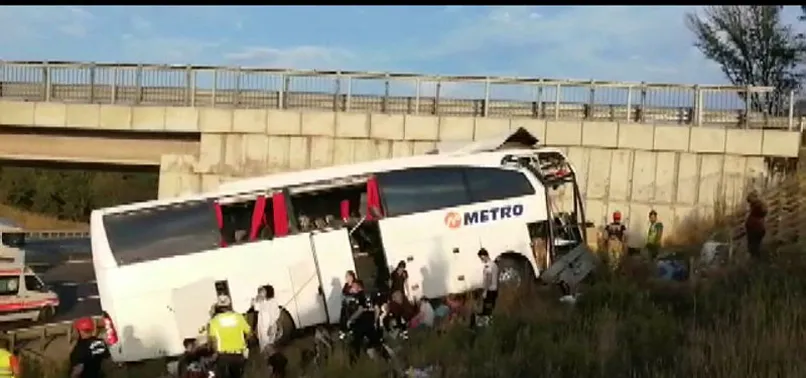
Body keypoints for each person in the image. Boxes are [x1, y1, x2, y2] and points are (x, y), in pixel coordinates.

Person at [345, 280, 389, 364]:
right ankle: (387, 358)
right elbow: (377, 309)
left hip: (361, 323)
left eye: (353, 286)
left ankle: (354, 364)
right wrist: (375, 321)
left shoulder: (359, 295)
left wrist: (350, 319)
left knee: (355, 343)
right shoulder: (370, 295)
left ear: (358, 287)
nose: (352, 288)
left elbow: (360, 309)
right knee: (376, 342)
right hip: (369, 322)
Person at [207, 294, 252, 378]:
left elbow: (213, 340)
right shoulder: (238, 317)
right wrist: (245, 344)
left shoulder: (214, 321)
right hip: (238, 355)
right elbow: (249, 333)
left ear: (218, 306)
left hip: (223, 356)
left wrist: (216, 353)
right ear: (229, 305)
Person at [252, 285, 281, 356]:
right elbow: (258, 312)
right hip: (262, 328)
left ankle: (275, 358)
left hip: (268, 327)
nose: (261, 293)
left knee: (268, 346)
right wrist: (256, 328)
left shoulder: (272, 302)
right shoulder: (263, 302)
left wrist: (271, 327)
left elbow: (274, 316)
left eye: (263, 291)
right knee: (264, 346)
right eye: (261, 292)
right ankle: (269, 359)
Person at [475, 248, 498, 327]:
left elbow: (488, 279)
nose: (481, 260)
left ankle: (487, 325)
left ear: (485, 256)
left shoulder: (488, 266)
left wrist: (485, 291)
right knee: (491, 308)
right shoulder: (494, 264)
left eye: (481, 258)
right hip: (494, 289)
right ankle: (491, 324)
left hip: (490, 290)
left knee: (487, 310)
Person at [745, 191, 767, 260]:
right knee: (755, 246)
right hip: (756, 229)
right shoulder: (757, 205)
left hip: (755, 229)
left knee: (754, 247)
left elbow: (762, 212)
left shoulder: (758, 205)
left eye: (750, 200)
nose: (749, 202)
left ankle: (755, 261)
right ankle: (755, 260)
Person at [339, 270, 358, 339]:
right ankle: (343, 330)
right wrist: (344, 299)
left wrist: (350, 298)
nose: (346, 277)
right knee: (343, 311)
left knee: (349, 309)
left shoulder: (355, 284)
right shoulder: (346, 285)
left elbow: (357, 295)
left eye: (347, 276)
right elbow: (343, 294)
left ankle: (351, 328)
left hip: (354, 303)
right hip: (347, 303)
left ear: (351, 277)